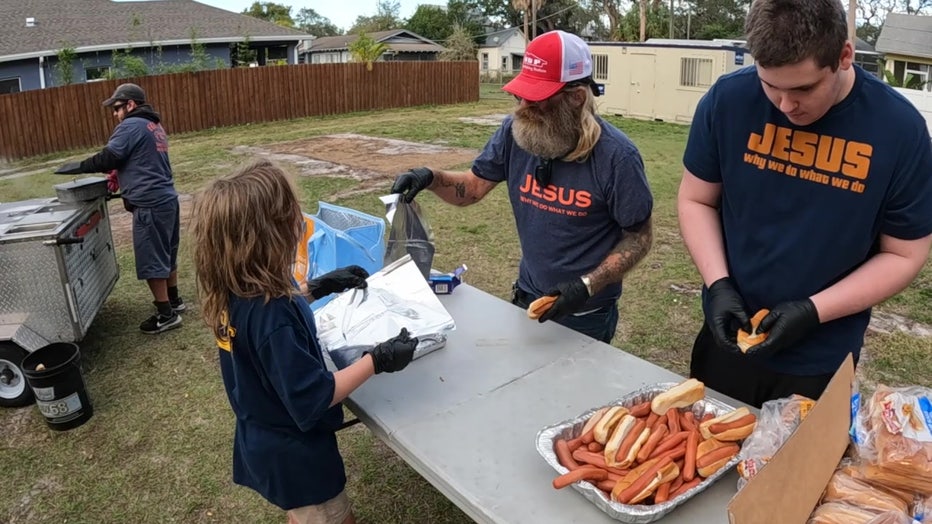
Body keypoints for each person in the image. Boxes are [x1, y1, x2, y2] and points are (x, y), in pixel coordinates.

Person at [677, 0, 932, 408]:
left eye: (803, 88)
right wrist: (719, 285)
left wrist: (813, 311)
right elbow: (696, 199)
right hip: (726, 337)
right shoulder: (728, 100)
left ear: (844, 56)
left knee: (794, 472)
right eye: (769, 85)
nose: (784, 105)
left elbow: (904, 253)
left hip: (820, 356)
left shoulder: (899, 130)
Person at [191, 159, 418, 524]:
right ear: (267, 235)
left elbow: (264, 325)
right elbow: (314, 395)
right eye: (292, 215)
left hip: (263, 441)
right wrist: (378, 359)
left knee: (302, 514)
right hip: (297, 456)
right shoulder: (272, 315)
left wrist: (316, 288)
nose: (301, 221)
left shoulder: (235, 289)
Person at [391, 30, 654, 344]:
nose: (523, 106)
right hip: (527, 296)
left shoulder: (617, 158)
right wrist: (430, 176)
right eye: (521, 94)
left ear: (576, 97)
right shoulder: (515, 134)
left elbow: (639, 238)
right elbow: (473, 188)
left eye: (537, 97)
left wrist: (587, 285)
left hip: (585, 315)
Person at [54, 83, 185, 334]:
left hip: (149, 204)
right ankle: (175, 300)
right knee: (167, 253)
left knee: (152, 259)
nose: (115, 114)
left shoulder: (129, 125)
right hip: (167, 199)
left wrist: (79, 166)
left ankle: (165, 314)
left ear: (130, 105)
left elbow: (109, 157)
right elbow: (139, 159)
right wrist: (121, 173)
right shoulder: (153, 125)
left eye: (117, 108)